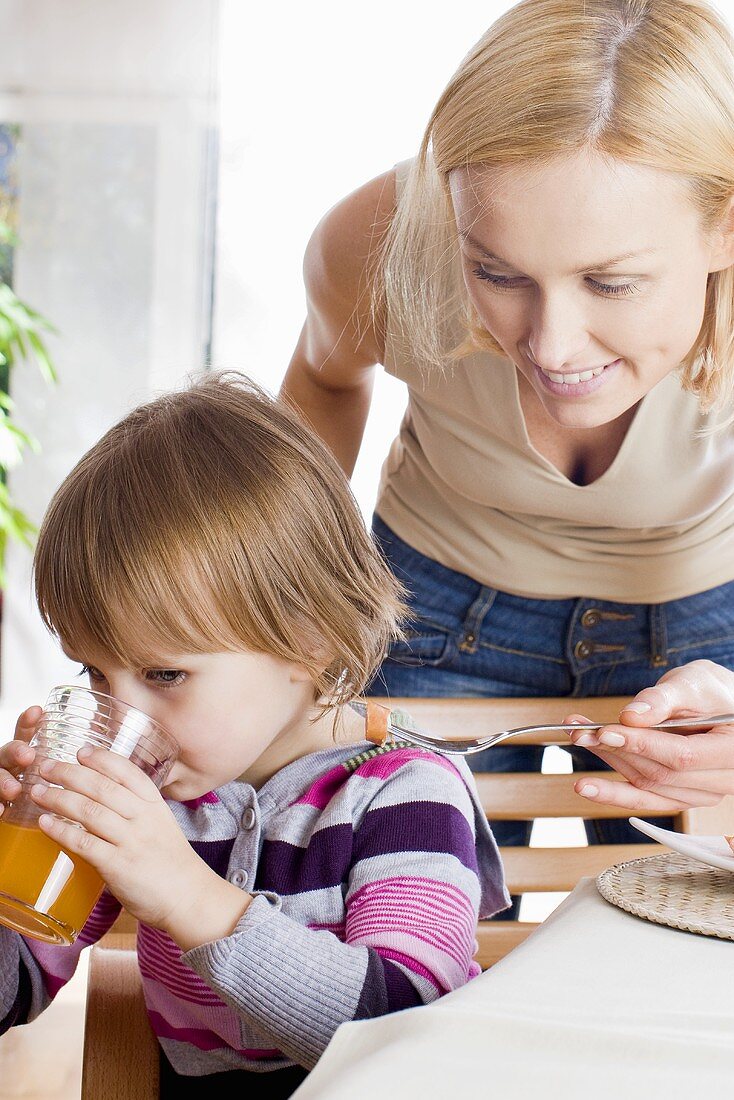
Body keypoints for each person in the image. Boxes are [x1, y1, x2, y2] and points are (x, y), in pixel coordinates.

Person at [281, 0, 734, 909]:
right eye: (498, 273)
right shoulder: (375, 243)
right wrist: (292, 609)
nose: (554, 346)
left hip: (701, 615)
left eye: (612, 281)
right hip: (435, 597)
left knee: (691, 968)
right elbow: (324, 385)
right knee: (391, 929)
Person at [0, 373, 508, 1099]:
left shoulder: (406, 793)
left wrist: (187, 893)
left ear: (308, 640)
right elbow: (12, 990)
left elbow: (402, 1031)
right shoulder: (161, 795)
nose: (121, 715)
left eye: (165, 674)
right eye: (96, 675)